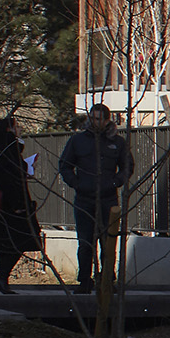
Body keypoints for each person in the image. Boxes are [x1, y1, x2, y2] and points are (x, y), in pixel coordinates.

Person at [58, 104, 132, 294]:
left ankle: (107, 280)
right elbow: (65, 165)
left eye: (99, 119)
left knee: (108, 242)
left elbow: (127, 167)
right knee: (85, 242)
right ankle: (84, 280)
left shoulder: (117, 142)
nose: (94, 122)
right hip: (84, 198)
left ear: (107, 120)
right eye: (92, 118)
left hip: (108, 199)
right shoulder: (78, 141)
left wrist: (115, 182)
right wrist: (76, 183)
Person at [0, 115, 42, 294]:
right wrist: (18, 204)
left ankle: (1, 279)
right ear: (9, 130)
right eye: (16, 127)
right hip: (12, 207)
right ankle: (1, 277)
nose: (19, 129)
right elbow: (12, 179)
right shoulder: (10, 149)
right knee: (22, 240)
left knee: (1, 245)